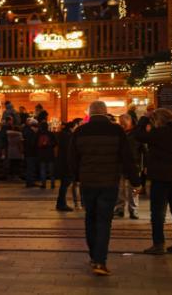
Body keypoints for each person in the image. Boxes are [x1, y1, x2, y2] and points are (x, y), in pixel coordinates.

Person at [69, 101, 140, 276]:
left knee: (90, 218)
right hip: (109, 183)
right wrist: (135, 180)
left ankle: (94, 255)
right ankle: (100, 260)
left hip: (88, 182)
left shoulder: (80, 131)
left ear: (90, 113)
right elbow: (127, 157)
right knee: (104, 221)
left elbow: (71, 158)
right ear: (106, 112)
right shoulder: (116, 131)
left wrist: (76, 178)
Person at [134, 108, 172, 255]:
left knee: (158, 213)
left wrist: (144, 118)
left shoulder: (159, 133)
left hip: (160, 177)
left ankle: (159, 244)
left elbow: (138, 135)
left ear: (159, 120)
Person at [114, 114, 141, 219]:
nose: (122, 125)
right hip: (120, 164)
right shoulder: (119, 134)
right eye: (120, 123)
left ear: (130, 122)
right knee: (120, 189)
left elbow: (143, 150)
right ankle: (119, 209)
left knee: (133, 189)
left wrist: (143, 165)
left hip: (134, 164)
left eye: (124, 123)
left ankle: (133, 210)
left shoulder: (136, 134)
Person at [55, 119, 82, 211]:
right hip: (66, 165)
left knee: (64, 185)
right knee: (65, 185)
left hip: (63, 163)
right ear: (74, 126)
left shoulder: (64, 135)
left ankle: (61, 203)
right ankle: (61, 204)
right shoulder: (69, 137)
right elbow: (70, 152)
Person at [36, 122, 57, 189]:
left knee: (43, 170)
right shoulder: (51, 134)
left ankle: (43, 184)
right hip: (50, 154)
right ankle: (52, 184)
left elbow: (35, 143)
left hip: (41, 154)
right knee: (51, 171)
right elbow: (55, 143)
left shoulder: (38, 134)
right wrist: (49, 145)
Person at [23, 118, 40, 187]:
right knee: (31, 168)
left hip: (28, 152)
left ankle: (29, 182)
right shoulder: (32, 133)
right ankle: (30, 182)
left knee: (30, 168)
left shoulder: (27, 132)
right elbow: (32, 143)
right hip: (32, 153)